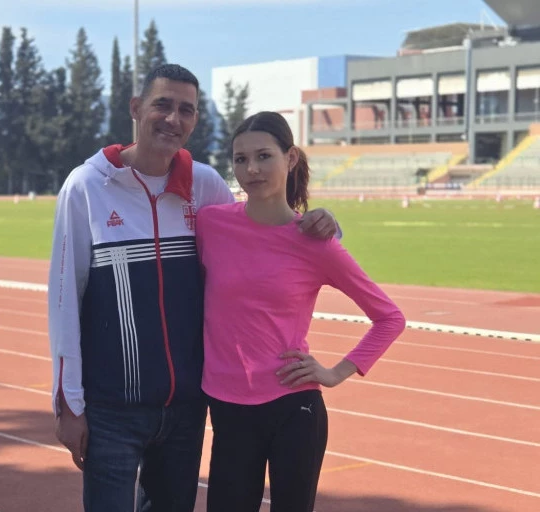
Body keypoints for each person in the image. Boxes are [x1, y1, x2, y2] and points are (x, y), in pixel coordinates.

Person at [47, 65, 339, 512]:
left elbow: (262, 231)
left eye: (186, 110)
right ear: (136, 108)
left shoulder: (205, 185)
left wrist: (321, 226)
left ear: (196, 120)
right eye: (162, 105)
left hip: (187, 408)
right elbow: (65, 299)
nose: (173, 119)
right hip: (112, 409)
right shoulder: (87, 186)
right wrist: (69, 402)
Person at [196, 111, 406, 512]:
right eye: (241, 159)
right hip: (228, 406)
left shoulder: (315, 242)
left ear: (290, 158)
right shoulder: (210, 224)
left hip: (293, 408)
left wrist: (335, 373)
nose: (251, 169)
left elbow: (389, 318)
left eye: (264, 156)